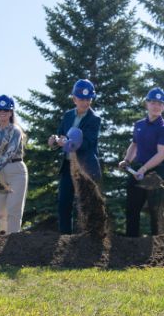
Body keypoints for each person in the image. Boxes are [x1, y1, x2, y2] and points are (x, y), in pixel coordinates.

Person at [47, 79, 102, 234]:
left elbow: (88, 143)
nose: (85, 103)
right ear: (74, 99)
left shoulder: (94, 119)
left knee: (86, 204)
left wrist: (69, 142)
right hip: (68, 167)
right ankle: (65, 238)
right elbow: (60, 134)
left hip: (86, 168)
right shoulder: (68, 116)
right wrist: (54, 141)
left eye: (88, 99)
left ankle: (90, 239)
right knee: (64, 202)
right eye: (81, 99)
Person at [119, 87, 164, 237]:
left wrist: (144, 168)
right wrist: (127, 160)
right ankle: (131, 243)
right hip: (138, 170)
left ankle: (157, 249)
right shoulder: (139, 125)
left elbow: (162, 153)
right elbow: (135, 144)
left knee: (156, 211)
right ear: (147, 104)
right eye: (153, 102)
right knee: (132, 208)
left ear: (163, 107)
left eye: (159, 103)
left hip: (157, 172)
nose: (156, 106)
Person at [0, 95, 28, 234]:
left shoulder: (16, 130)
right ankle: (1, 241)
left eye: (6, 109)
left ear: (11, 112)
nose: (2, 112)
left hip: (16, 170)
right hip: (0, 173)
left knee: (13, 209)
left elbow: (10, 153)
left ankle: (12, 242)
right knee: (0, 210)